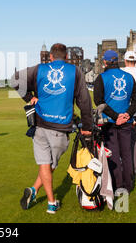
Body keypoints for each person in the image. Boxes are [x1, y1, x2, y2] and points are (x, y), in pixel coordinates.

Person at [11, 43, 93, 214]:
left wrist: (29, 97)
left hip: (39, 125)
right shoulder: (75, 71)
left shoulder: (39, 69)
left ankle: (36, 192)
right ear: (66, 56)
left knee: (45, 164)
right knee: (49, 165)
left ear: (50, 56)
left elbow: (15, 79)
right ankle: (51, 202)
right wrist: (87, 126)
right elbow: (84, 101)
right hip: (60, 128)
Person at [93, 50, 136, 193]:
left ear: (104, 62)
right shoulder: (128, 77)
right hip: (126, 122)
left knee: (113, 154)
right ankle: (129, 185)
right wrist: (127, 114)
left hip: (109, 122)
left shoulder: (101, 78)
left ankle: (118, 185)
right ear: (118, 61)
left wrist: (116, 116)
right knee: (127, 153)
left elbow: (98, 101)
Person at [121, 51, 136, 176]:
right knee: (134, 142)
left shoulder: (121, 73)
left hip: (123, 113)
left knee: (122, 142)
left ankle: (123, 170)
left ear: (125, 61)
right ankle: (133, 171)